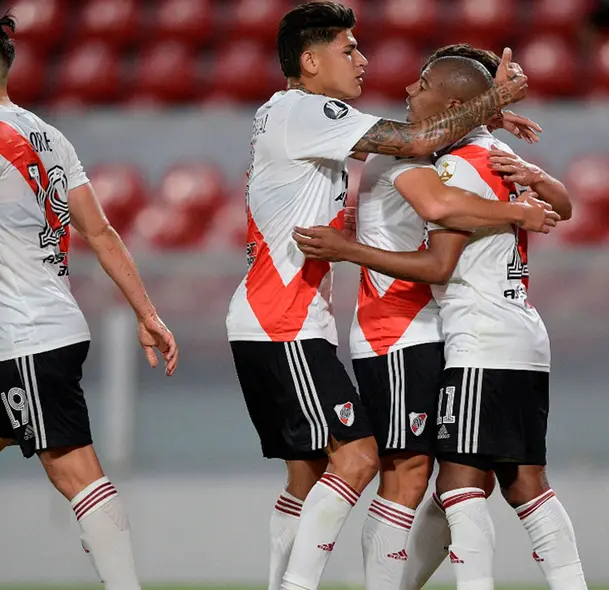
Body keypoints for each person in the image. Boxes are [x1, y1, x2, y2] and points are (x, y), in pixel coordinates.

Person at [225, 2, 529, 588]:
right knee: (361, 459)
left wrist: (476, 123)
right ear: (310, 61)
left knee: (310, 474)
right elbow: (416, 142)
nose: (363, 60)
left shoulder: (295, 115)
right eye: (348, 49)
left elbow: (410, 137)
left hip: (286, 319)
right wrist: (494, 100)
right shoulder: (305, 111)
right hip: (281, 319)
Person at [0, 14, 177, 590]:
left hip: (29, 336)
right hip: (17, 338)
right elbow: (101, 232)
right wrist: (146, 313)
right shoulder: (47, 135)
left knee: (74, 471)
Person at [294, 55, 584, 590]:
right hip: (524, 336)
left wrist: (348, 250)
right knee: (524, 482)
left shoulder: (453, 167)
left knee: (454, 485)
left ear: (451, 106)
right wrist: (509, 146)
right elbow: (564, 207)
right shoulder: (499, 153)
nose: (409, 88)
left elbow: (439, 263)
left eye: (423, 83)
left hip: (476, 339)